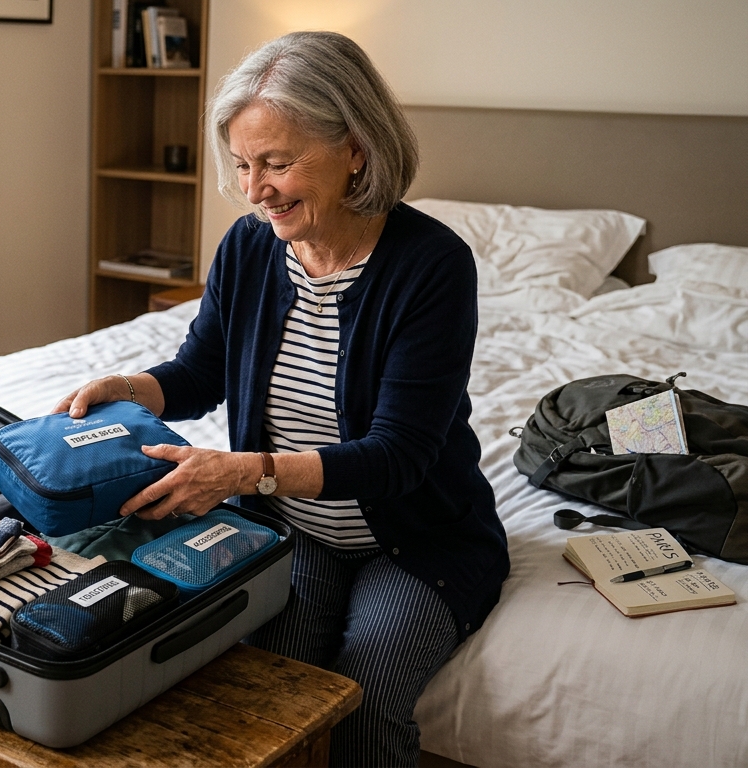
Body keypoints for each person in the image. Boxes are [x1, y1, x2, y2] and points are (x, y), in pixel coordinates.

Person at [53, 31, 509, 767]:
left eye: (278, 163)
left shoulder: (433, 267)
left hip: (419, 540)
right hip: (293, 526)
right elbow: (201, 371)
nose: (257, 189)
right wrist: (130, 388)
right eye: (242, 165)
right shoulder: (248, 247)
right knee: (252, 684)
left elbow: (399, 457)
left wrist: (242, 472)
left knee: (365, 688)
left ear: (355, 148)